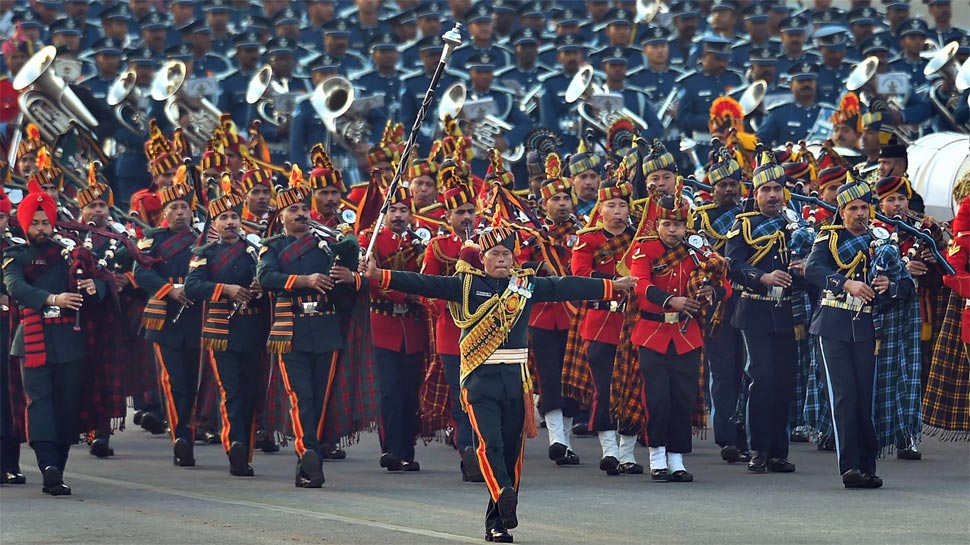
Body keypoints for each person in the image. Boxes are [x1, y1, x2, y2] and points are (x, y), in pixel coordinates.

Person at [364, 225, 635, 543]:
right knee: (489, 443)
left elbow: (566, 286)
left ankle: (498, 521)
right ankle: (503, 491)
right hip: (479, 381)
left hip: (515, 381)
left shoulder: (525, 286)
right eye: (495, 254)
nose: (502, 259)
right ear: (483, 258)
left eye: (507, 254)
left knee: (511, 453)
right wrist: (379, 274)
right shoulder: (465, 286)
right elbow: (424, 282)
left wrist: (611, 286)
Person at [3, 180, 107, 496]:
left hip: (70, 340)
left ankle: (57, 470)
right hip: (32, 340)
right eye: (33, 223)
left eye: (44, 221)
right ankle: (47, 465)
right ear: (24, 224)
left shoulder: (70, 254)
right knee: (39, 404)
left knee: (66, 407)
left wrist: (94, 287)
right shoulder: (15, 256)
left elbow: (104, 281)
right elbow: (16, 288)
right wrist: (53, 299)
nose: (40, 227)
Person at [256, 182, 363, 488]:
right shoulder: (272, 246)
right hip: (290, 331)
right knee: (300, 396)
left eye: (304, 208)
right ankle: (308, 455)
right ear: (282, 215)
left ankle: (312, 452)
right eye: (293, 209)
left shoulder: (328, 243)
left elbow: (348, 281)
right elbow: (265, 278)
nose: (300, 213)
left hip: (326, 329)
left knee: (320, 398)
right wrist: (305, 280)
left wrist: (352, 273)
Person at [805, 179, 911, 488]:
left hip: (867, 328)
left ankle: (868, 465)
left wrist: (890, 287)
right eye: (853, 208)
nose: (860, 214)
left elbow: (906, 286)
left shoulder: (882, 241)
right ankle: (849, 466)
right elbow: (812, 270)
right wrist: (845, 282)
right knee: (844, 396)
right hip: (833, 324)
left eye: (865, 207)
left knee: (866, 399)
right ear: (841, 211)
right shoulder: (828, 239)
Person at [630, 189, 731, 483]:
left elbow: (727, 284)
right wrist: (669, 301)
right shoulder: (644, 248)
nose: (672, 230)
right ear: (657, 225)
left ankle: (677, 458)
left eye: (678, 225)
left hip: (687, 335)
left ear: (687, 226)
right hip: (652, 332)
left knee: (683, 399)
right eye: (666, 225)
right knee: (657, 399)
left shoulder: (698, 251)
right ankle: (656, 457)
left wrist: (713, 291)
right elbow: (640, 285)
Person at [184, 179, 269, 477]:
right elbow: (193, 287)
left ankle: (245, 445)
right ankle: (235, 446)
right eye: (224, 218)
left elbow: (270, 277)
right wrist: (227, 290)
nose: (230, 222)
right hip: (222, 332)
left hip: (255, 330)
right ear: (215, 224)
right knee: (231, 391)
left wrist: (262, 287)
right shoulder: (205, 253)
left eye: (234, 216)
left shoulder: (256, 250)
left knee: (252, 391)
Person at [725, 156, 800, 474]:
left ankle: (778, 452)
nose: (773, 195)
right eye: (766, 189)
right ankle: (756, 448)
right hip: (754, 311)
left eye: (777, 189)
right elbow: (733, 265)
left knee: (784, 382)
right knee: (762, 378)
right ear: (754, 194)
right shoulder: (742, 225)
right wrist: (763, 277)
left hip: (786, 314)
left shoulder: (795, 225)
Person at [571, 178, 643, 475]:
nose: (616, 210)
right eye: (610, 205)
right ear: (599, 210)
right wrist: (614, 284)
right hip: (600, 322)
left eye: (622, 205)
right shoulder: (587, 239)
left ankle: (628, 453)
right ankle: (610, 451)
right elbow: (580, 276)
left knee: (632, 389)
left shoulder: (640, 240)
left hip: (633, 322)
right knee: (605, 387)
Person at [132, 177, 204, 468]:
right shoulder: (153, 240)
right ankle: (180, 436)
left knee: (194, 381)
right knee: (175, 381)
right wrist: (170, 290)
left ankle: (191, 428)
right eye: (173, 207)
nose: (179, 213)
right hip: (165, 316)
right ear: (164, 213)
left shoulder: (202, 238)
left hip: (197, 315)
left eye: (184, 207)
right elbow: (142, 273)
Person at [358, 187, 429, 472]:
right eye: (392, 210)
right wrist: (406, 294)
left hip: (412, 327)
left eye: (403, 210)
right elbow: (370, 280)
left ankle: (407, 450)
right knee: (389, 390)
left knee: (411, 391)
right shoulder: (370, 239)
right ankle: (390, 448)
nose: (398, 216)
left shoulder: (419, 243)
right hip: (382, 325)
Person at [420, 176, 484, 482]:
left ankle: (486, 452)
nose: (467, 217)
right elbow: (426, 290)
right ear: (448, 218)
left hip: (487, 332)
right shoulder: (438, 247)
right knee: (463, 398)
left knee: (484, 396)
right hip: (452, 334)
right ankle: (468, 450)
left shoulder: (490, 243)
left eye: (471, 210)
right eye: (460, 212)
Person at [690, 149, 751, 463]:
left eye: (733, 184)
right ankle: (727, 437)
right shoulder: (701, 218)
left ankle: (748, 436)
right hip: (719, 305)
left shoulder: (750, 217)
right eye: (722, 184)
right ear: (711, 189)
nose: (728, 190)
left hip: (750, 300)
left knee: (748, 372)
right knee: (724, 373)